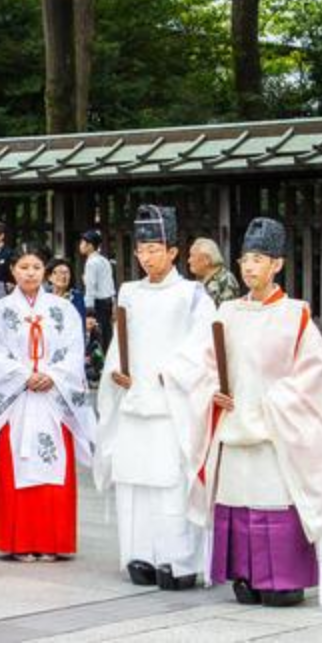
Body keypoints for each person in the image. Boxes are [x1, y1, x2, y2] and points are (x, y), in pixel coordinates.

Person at [166, 218, 321, 607]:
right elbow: (202, 365)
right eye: (244, 260)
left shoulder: (296, 315)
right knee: (238, 502)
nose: (250, 267)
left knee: (273, 502)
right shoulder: (227, 313)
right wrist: (211, 392)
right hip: (233, 427)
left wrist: (272, 403)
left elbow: (312, 376)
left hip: (274, 432)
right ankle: (245, 576)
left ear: (277, 265)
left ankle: (284, 579)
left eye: (258, 259)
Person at [95, 205, 215, 590]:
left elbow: (205, 346)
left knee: (170, 483)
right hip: (133, 402)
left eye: (154, 250)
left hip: (170, 403)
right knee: (133, 481)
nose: (146, 258)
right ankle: (138, 553)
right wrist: (117, 372)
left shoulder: (193, 295)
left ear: (173, 252)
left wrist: (173, 373)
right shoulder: (129, 292)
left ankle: (177, 560)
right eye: (141, 251)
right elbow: (118, 345)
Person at [0, 244, 95, 562]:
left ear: (44, 270)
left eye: (36, 266)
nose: (31, 272)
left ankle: (52, 541)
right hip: (15, 400)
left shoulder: (63, 311)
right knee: (14, 468)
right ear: (13, 272)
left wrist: (51, 374)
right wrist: (24, 375)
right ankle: (18, 541)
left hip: (52, 397)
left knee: (53, 469)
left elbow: (75, 351)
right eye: (24, 267)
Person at [78, 229, 115, 352]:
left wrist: (88, 309)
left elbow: (90, 288)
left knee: (96, 337)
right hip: (108, 301)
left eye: (82, 243)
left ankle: (99, 365)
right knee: (106, 334)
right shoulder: (103, 260)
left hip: (97, 304)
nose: (80, 245)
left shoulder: (91, 263)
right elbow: (110, 283)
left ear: (89, 245)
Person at [188, 237, 240, 308]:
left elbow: (225, 315)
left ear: (207, 260)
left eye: (192, 256)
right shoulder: (204, 280)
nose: (189, 260)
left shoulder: (226, 281)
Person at [46, 258, 86, 326]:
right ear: (49, 277)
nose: (62, 276)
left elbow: (81, 323)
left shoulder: (77, 297)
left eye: (66, 272)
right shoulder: (44, 297)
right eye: (57, 272)